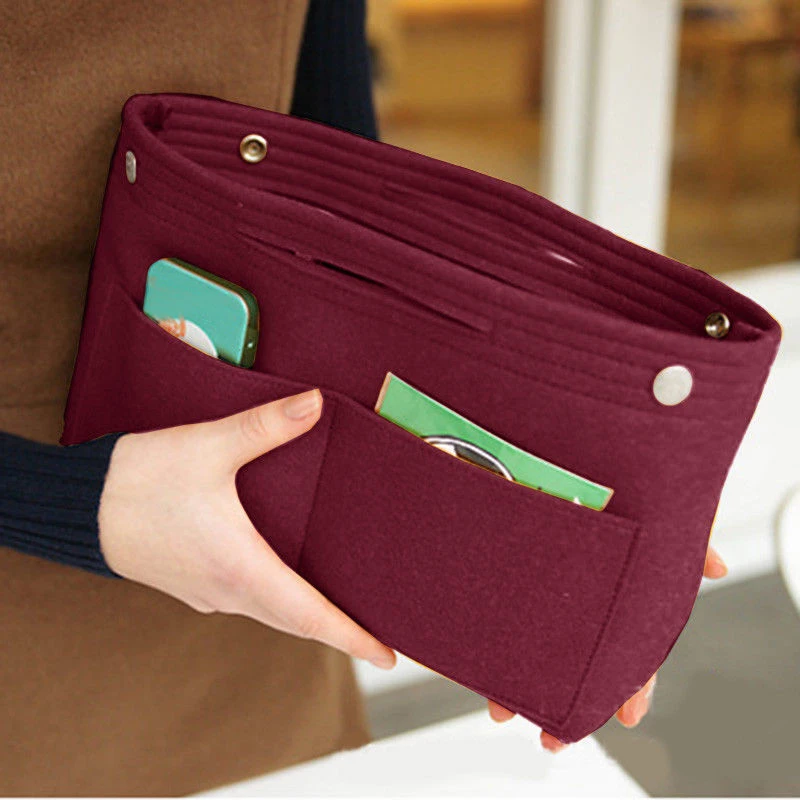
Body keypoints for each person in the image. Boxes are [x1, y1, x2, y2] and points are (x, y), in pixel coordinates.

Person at [0, 0, 730, 794]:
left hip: (268, 560)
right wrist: (73, 502)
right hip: (27, 605)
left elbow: (342, 177)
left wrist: (584, 461)